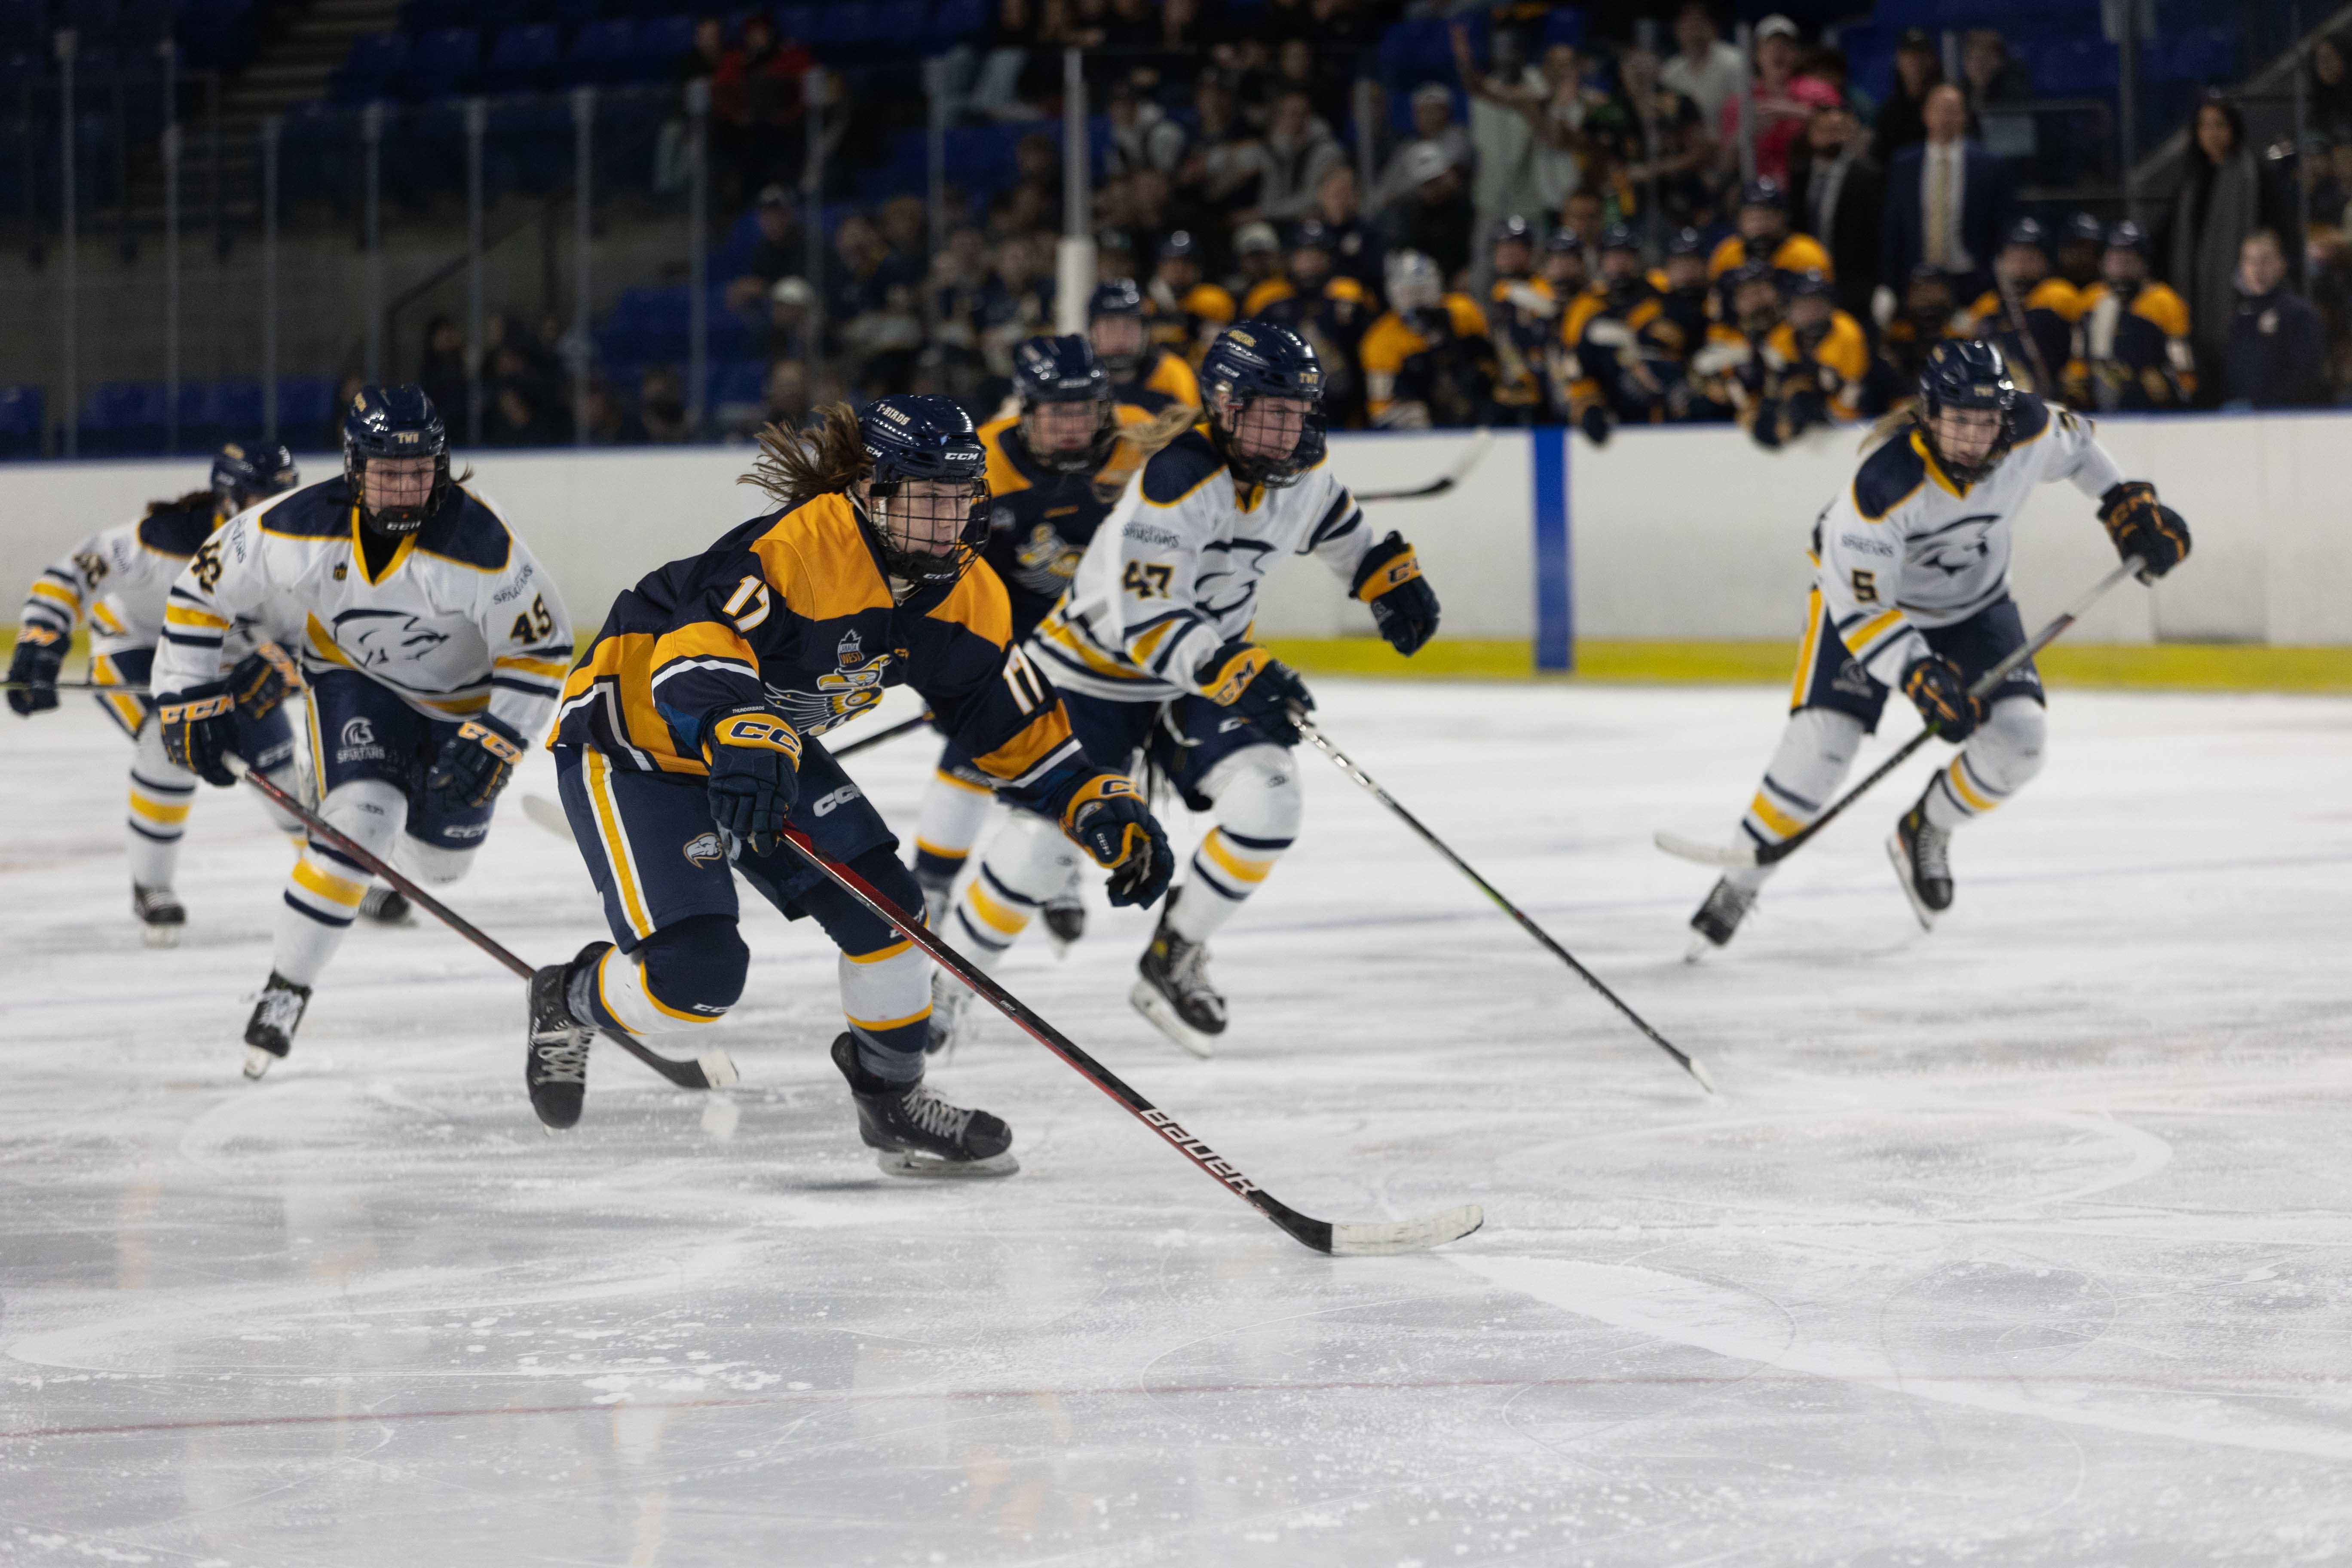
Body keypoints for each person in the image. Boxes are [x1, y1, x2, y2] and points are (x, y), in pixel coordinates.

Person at [531, 395, 1174, 1145]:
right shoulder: (801, 550)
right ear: (871, 491)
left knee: (891, 918)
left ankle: (893, 1102)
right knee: (697, 978)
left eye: (960, 498)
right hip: (638, 740)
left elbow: (1009, 718)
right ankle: (565, 997)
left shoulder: (970, 595)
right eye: (926, 498)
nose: (946, 521)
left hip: (768, 744)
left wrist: (1090, 794)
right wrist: (735, 728)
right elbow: (693, 640)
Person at [944, 322, 1440, 1057]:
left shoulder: (1300, 475)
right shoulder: (1179, 477)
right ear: (1223, 404)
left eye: (1297, 408)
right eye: (1270, 409)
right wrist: (1237, 669)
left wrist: (1388, 579)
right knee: (1044, 844)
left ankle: (1174, 952)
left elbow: (1343, 530)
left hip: (1196, 672)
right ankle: (947, 988)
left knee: (1270, 798)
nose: (1288, 426)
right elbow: (1146, 620)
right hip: (1092, 672)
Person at [1686, 340, 2191, 952]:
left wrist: (2123, 504)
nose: (1973, 440)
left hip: (1974, 605)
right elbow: (1864, 612)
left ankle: (1926, 827)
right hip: (1867, 612)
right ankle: (1741, 881)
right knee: (1823, 751)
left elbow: (2082, 450)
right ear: (1929, 415)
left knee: (2022, 740)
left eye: (1985, 423)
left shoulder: (2029, 429)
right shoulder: (1882, 489)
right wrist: (1921, 677)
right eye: (1958, 422)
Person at [149, 389, 573, 1078]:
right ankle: (287, 987)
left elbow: (542, 648)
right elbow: (204, 589)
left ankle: (387, 835)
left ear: (439, 467)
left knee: (441, 869)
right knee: (360, 822)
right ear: (354, 467)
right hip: (357, 683)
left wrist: (500, 735)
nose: (404, 488)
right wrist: (185, 696)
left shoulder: (481, 549)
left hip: (461, 710)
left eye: (419, 471)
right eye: (386, 471)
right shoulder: (296, 526)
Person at [907, 335, 1191, 959]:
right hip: (1002, 634)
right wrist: (943, 674)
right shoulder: (977, 461)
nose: (1071, 427)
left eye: (1084, 411)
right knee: (972, 754)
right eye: (1056, 413)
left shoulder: (1141, 441)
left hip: (1101, 644)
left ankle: (1057, 867)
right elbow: (941, 576)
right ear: (1025, 411)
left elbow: (1208, 489)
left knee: (1082, 762)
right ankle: (930, 887)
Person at [7, 443, 323, 946]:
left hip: (226, 663)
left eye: (281, 494)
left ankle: (333, 876)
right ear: (226, 498)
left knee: (280, 764)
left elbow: (325, 637)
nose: (274, 507)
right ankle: (151, 885)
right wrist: (41, 637)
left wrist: (281, 665)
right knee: (167, 743)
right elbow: (73, 572)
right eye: (259, 495)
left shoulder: (301, 550)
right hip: (136, 651)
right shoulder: (161, 540)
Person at [2166, 98, 2293, 395]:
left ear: (2234, 129)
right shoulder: (2189, 179)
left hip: (2244, 299)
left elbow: (2277, 232)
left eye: (2219, 125)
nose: (2210, 133)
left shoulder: (2255, 176)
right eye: (2204, 126)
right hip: (2195, 297)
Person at [1882, 83, 2011, 301]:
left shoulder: (1990, 165)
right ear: (1926, 114)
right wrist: (1888, 285)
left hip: (1972, 279)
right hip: (1918, 282)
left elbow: (2001, 226)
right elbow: (1893, 228)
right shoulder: (1904, 164)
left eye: (1952, 111)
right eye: (1939, 109)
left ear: (1964, 116)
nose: (1945, 118)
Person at [1254, 220, 1377, 428]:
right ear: (1292, 257)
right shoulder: (1269, 297)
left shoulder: (1348, 293)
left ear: (1329, 257)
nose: (1311, 260)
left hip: (1345, 403)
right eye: (1304, 253)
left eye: (1317, 253)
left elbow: (1371, 346)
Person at [1360, 249, 1498, 427]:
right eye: (1408, 292)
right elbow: (1381, 409)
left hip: (1472, 411)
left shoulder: (1463, 312)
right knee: (1413, 417)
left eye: (1422, 290)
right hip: (1424, 418)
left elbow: (1491, 366)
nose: (1415, 299)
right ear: (1393, 292)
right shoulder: (1381, 339)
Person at [2069, 221, 2196, 411]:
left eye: (2129, 259)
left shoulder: (2164, 301)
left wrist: (2172, 385)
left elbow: (2183, 366)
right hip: (2102, 403)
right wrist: (2077, 384)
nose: (2121, 266)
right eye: (2115, 258)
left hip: (2151, 410)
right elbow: (2079, 358)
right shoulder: (2091, 299)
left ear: (2144, 263)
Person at [1787, 97, 1884, 325]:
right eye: (1824, 130)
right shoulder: (1800, 173)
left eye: (1838, 129)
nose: (1831, 136)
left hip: (1854, 285)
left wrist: (1879, 286)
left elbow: (1878, 235)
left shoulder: (1867, 176)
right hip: (1805, 282)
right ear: (1810, 134)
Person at [1963, 217, 2081, 399]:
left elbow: (2078, 345)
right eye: (2015, 258)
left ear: (2046, 261)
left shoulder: (2059, 294)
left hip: (2052, 393)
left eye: (2030, 258)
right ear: (2002, 262)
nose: (2021, 266)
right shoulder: (1987, 304)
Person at [1750, 271, 1868, 447]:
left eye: (1819, 304)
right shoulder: (1780, 338)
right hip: (1798, 413)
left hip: (1844, 421)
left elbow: (1850, 397)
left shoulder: (1848, 334)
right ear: (1789, 309)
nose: (1812, 312)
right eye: (1804, 305)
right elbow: (1773, 389)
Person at [2222, 229, 2333, 408]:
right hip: (2241, 419)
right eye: (2250, 261)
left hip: (2287, 418)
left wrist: (2266, 406)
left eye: (2265, 260)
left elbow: (2306, 375)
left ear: (2282, 263)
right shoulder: (2239, 316)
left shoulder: (2299, 314)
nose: (2257, 269)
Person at [1089, 278, 1201, 411]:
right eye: (1110, 326)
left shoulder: (1174, 375)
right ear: (1092, 331)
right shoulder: (1077, 379)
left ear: (1145, 331)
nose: (1120, 336)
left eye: (1129, 326)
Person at [1709, 176, 1834, 283]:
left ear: (1783, 219)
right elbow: (1715, 305)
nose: (1761, 225)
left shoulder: (1807, 254)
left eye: (1768, 217)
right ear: (1739, 221)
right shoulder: (1727, 254)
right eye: (1753, 218)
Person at [1143, 230, 1238, 365]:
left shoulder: (1213, 298)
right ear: (1160, 267)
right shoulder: (1147, 304)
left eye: (1186, 263)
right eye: (1173, 263)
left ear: (1198, 269)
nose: (1179, 270)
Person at [1659, 0, 1744, 129]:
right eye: (1689, 28)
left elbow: (1745, 113)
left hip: (1729, 144)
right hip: (1689, 147)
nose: (1695, 35)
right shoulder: (1669, 72)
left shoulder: (1735, 62)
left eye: (1700, 26)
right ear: (1677, 31)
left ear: (1713, 28)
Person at [1872, 28, 1943, 162]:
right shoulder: (1889, 112)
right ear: (1899, 60)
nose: (1916, 61)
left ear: (1932, 60)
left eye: (1922, 54)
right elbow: (1880, 160)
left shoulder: (1946, 106)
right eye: (1910, 54)